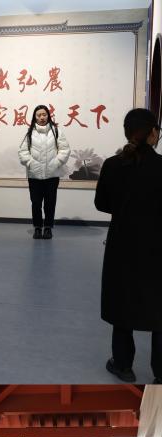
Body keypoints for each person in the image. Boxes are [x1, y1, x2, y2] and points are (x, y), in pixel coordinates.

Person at [95, 109, 162, 383]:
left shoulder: (112, 165)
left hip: (122, 243)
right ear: (152, 133)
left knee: (123, 303)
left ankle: (123, 365)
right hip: (158, 246)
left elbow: (101, 204)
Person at [18, 104, 70, 239]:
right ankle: (37, 227)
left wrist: (56, 163)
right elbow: (22, 152)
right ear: (35, 117)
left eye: (44, 114)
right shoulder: (30, 133)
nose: (42, 117)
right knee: (36, 203)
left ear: (48, 116)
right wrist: (31, 163)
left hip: (52, 175)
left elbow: (65, 150)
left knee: (50, 203)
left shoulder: (56, 131)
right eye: (39, 115)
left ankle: (48, 228)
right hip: (34, 176)